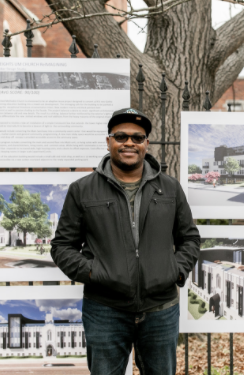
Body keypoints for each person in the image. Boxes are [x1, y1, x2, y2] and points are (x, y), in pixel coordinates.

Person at [51, 108, 200, 375]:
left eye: (137, 137)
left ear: (146, 144)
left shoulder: (169, 188)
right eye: (121, 136)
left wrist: (175, 270)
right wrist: (93, 272)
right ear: (108, 141)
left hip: (161, 309)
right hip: (105, 310)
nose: (129, 142)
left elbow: (189, 238)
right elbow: (62, 246)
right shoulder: (82, 189)